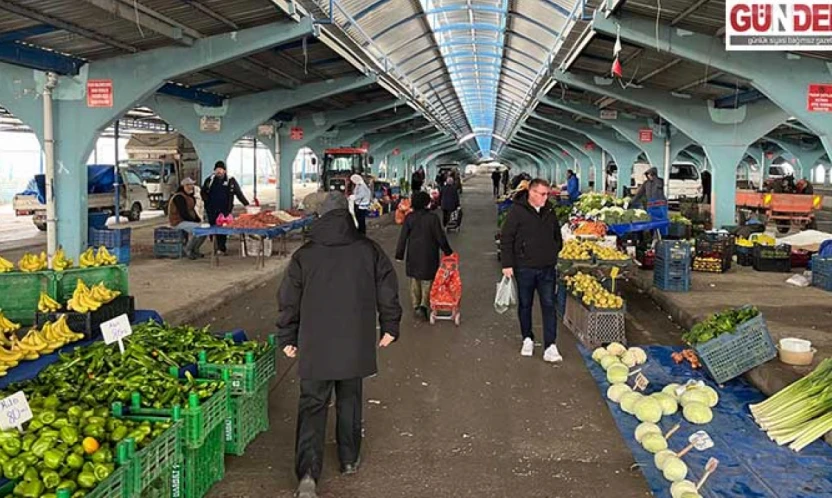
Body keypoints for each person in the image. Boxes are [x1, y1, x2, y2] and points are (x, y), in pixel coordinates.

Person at [277, 192, 402, 498]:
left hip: (316, 342)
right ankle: (348, 458)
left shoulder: (305, 255)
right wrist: (390, 326)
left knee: (312, 405)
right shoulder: (368, 250)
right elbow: (387, 288)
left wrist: (287, 336)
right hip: (354, 340)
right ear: (347, 216)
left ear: (319, 218)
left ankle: (307, 474)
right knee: (350, 399)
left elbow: (288, 301)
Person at [500, 178, 564, 363]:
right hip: (524, 267)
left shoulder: (550, 211)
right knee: (525, 304)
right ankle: (527, 338)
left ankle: (550, 345)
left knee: (549, 305)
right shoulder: (517, 212)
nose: (546, 198)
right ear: (532, 193)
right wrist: (507, 264)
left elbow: (557, 235)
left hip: (546, 268)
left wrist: (553, 251)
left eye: (547, 194)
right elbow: (507, 238)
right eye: (543, 194)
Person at [395, 191, 453, 321]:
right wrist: (447, 251)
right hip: (429, 254)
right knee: (427, 281)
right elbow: (440, 237)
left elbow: (403, 237)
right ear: (427, 203)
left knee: (415, 281)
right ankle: (423, 306)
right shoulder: (432, 218)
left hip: (413, 254)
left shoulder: (410, 217)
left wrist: (399, 254)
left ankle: (416, 306)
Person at [201, 161, 249, 255]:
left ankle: (222, 248)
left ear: (225, 170)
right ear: (214, 170)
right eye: (217, 169)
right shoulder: (209, 180)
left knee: (223, 229)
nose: (219, 171)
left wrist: (247, 204)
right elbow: (203, 192)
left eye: (221, 169)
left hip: (225, 211)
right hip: (212, 210)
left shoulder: (231, 181)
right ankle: (215, 246)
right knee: (213, 229)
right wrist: (207, 202)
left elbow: (239, 194)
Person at [167, 178, 206, 260]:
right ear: (183, 186)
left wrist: (199, 220)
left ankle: (195, 249)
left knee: (205, 231)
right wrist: (196, 222)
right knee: (198, 229)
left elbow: (192, 210)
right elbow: (184, 214)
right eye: (188, 185)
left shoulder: (189, 196)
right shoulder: (179, 197)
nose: (191, 187)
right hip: (177, 222)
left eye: (191, 185)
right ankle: (188, 249)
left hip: (186, 221)